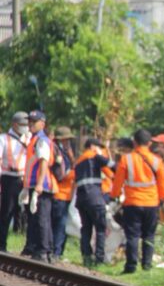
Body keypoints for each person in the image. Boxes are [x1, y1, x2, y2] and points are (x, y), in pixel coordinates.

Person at [111, 129, 164, 273]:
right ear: (149, 143)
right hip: (151, 204)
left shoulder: (126, 159)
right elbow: (163, 183)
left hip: (132, 203)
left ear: (134, 142)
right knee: (149, 235)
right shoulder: (157, 161)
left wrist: (114, 196)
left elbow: (118, 182)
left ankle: (131, 266)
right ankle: (147, 265)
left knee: (132, 236)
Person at [21, 110, 58, 263]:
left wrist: (38, 185)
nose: (30, 124)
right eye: (29, 121)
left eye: (33, 122)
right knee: (38, 218)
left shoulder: (41, 140)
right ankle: (42, 249)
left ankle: (43, 250)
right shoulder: (34, 140)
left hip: (41, 185)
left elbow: (43, 162)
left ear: (42, 124)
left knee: (42, 218)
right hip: (35, 185)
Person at [75, 138, 114, 266]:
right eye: (98, 147)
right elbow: (113, 166)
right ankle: (99, 259)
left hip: (81, 199)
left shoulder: (79, 160)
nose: (100, 150)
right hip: (95, 198)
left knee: (86, 229)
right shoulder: (94, 156)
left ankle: (86, 257)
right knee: (100, 229)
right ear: (92, 146)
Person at [0, 111, 31, 251]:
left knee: (26, 213)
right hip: (9, 178)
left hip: (24, 179)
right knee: (7, 213)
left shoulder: (29, 139)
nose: (26, 127)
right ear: (15, 124)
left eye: (27, 124)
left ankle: (28, 246)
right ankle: (2, 244)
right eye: (23, 125)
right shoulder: (4, 139)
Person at [51, 126, 76, 261]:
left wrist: (72, 157)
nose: (68, 143)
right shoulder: (56, 152)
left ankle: (58, 251)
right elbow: (60, 175)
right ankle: (55, 251)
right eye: (66, 140)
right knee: (58, 224)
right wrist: (73, 173)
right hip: (58, 194)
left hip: (66, 195)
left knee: (62, 224)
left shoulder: (65, 153)